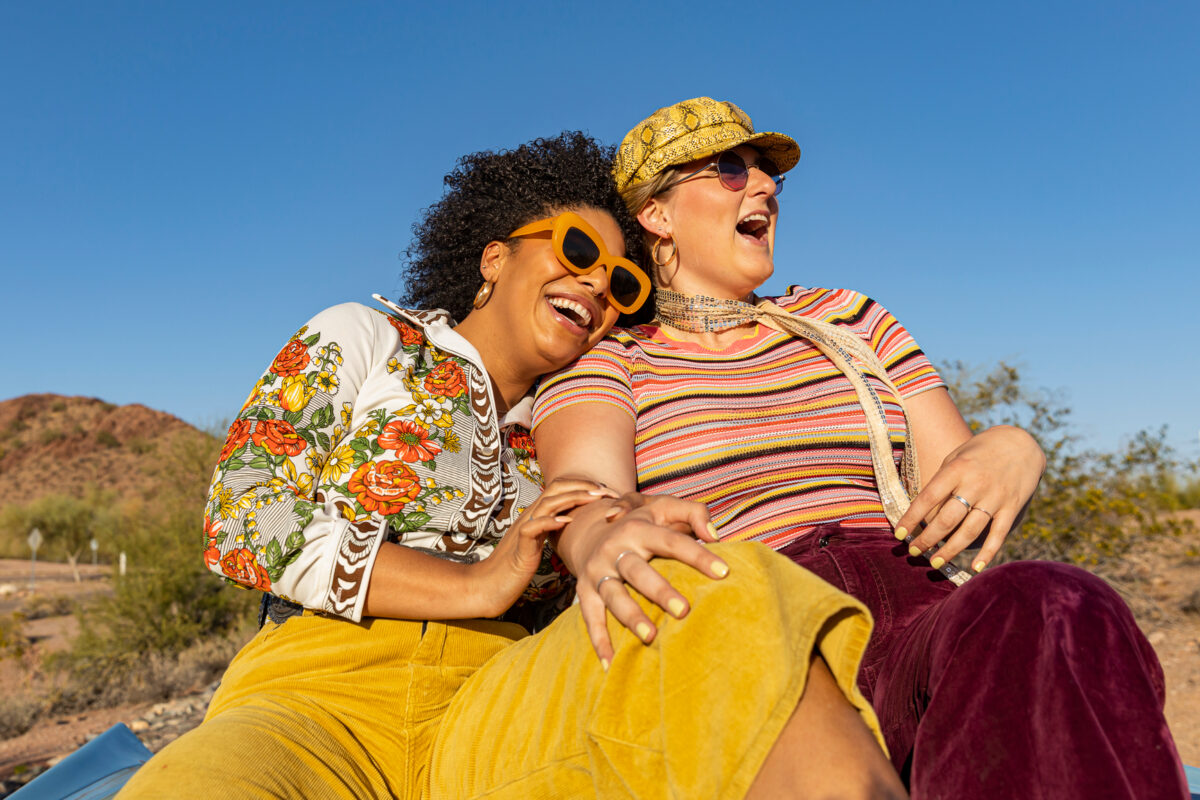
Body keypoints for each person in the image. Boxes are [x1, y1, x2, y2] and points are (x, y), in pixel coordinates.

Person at [118, 132, 907, 799]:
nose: (598, 283)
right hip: (312, 694)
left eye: (622, 283)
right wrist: (474, 583)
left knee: (727, 591)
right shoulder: (368, 339)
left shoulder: (584, 420)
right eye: (575, 250)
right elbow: (244, 518)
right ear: (494, 257)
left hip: (502, 702)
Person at [532, 99, 1190, 799]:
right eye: (730, 170)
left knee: (1060, 602)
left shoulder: (847, 318)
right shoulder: (612, 360)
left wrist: (1012, 446)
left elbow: (956, 480)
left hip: (916, 602)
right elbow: (584, 493)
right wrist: (598, 535)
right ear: (657, 215)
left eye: (767, 176)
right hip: (758, 625)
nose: (763, 188)